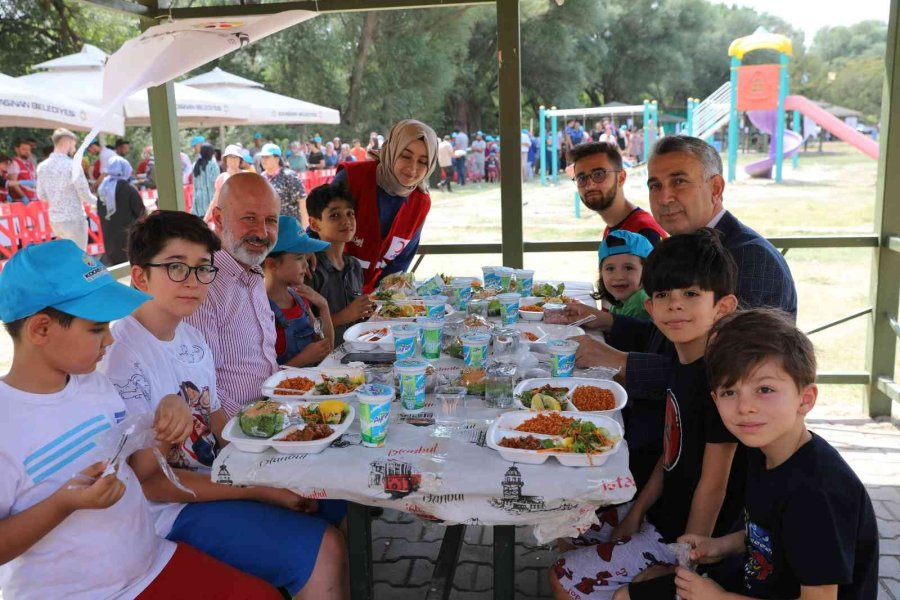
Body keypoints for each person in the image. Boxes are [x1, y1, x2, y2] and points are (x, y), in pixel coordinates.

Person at [0, 239, 283, 600]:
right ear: (41, 329)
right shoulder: (6, 424)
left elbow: (135, 457)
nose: (109, 340)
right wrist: (64, 503)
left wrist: (169, 410)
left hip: (149, 561)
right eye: (95, 329)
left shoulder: (96, 387)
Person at [99, 211, 349, 599]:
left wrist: (275, 470)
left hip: (215, 477)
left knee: (331, 496)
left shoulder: (191, 337)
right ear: (140, 276)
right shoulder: (122, 357)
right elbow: (152, 482)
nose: (194, 282)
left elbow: (219, 428)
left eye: (203, 269)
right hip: (167, 513)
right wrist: (258, 490)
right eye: (177, 268)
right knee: (324, 548)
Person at [550, 230, 742, 600]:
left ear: (723, 306)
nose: (675, 306)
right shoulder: (678, 365)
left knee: (564, 578)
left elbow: (714, 485)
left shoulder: (719, 385)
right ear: (650, 308)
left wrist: (685, 566)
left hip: (687, 538)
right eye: (663, 295)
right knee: (571, 525)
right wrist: (636, 512)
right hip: (659, 515)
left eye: (691, 294)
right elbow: (669, 455)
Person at [675, 309, 879, 600]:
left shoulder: (817, 493)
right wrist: (721, 545)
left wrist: (718, 598)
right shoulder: (764, 449)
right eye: (730, 392)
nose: (745, 407)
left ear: (804, 399)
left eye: (765, 389)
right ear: (714, 399)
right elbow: (770, 530)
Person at [185, 172, 280, 417]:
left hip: (273, 413)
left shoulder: (255, 273)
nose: (261, 232)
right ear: (218, 218)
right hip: (236, 434)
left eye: (271, 220)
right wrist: (252, 426)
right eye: (249, 218)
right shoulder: (203, 286)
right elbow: (201, 388)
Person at [329, 119, 438, 293]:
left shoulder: (420, 202)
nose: (413, 168)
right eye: (406, 156)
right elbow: (318, 233)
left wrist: (381, 300)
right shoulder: (352, 178)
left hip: (372, 301)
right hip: (328, 291)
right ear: (392, 150)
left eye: (423, 161)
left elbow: (401, 261)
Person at [264, 215, 335, 367]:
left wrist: (323, 306)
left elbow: (326, 349)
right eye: (299, 258)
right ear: (272, 264)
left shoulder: (299, 298)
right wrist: (303, 359)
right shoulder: (261, 309)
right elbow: (262, 378)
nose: (306, 265)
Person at [308, 183, 375, 341]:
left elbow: (356, 319)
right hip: (323, 361)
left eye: (350, 213)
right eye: (335, 215)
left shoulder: (354, 266)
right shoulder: (309, 268)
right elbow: (305, 331)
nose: (346, 221)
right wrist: (346, 315)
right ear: (314, 224)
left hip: (354, 352)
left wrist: (365, 312)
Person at [568, 142, 666, 247]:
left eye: (599, 174)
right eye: (581, 178)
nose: (589, 185)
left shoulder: (645, 234)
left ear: (621, 178)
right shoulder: (612, 229)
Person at [35, 129, 96, 250]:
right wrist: (99, 202)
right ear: (67, 142)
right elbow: (84, 194)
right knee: (79, 257)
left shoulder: (42, 167)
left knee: (67, 256)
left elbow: (41, 195)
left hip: (56, 220)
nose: (74, 148)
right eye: (73, 144)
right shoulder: (72, 165)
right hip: (74, 219)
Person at [96, 155, 145, 265]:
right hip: (128, 237)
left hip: (109, 236)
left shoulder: (103, 189)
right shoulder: (128, 189)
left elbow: (99, 211)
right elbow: (141, 212)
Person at [596, 230, 653, 320]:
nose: (619, 277)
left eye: (628, 268)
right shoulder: (622, 302)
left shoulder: (639, 303)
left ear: (648, 270)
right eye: (610, 269)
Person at [259, 143, 307, 225]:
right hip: (270, 227)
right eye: (262, 157)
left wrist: (306, 227)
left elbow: (302, 201)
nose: (263, 160)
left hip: (290, 227)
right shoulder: (262, 178)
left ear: (277, 159)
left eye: (267, 157)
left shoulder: (289, 176)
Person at [205, 144, 246, 228]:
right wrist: (204, 221)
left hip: (244, 219)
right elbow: (215, 201)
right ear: (226, 160)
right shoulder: (222, 178)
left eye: (235, 157)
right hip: (227, 220)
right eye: (230, 157)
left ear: (240, 160)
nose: (232, 160)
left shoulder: (247, 176)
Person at [191, 143, 220, 219]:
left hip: (198, 201)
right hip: (210, 200)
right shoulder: (213, 165)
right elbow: (217, 183)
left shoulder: (195, 165)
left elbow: (194, 185)